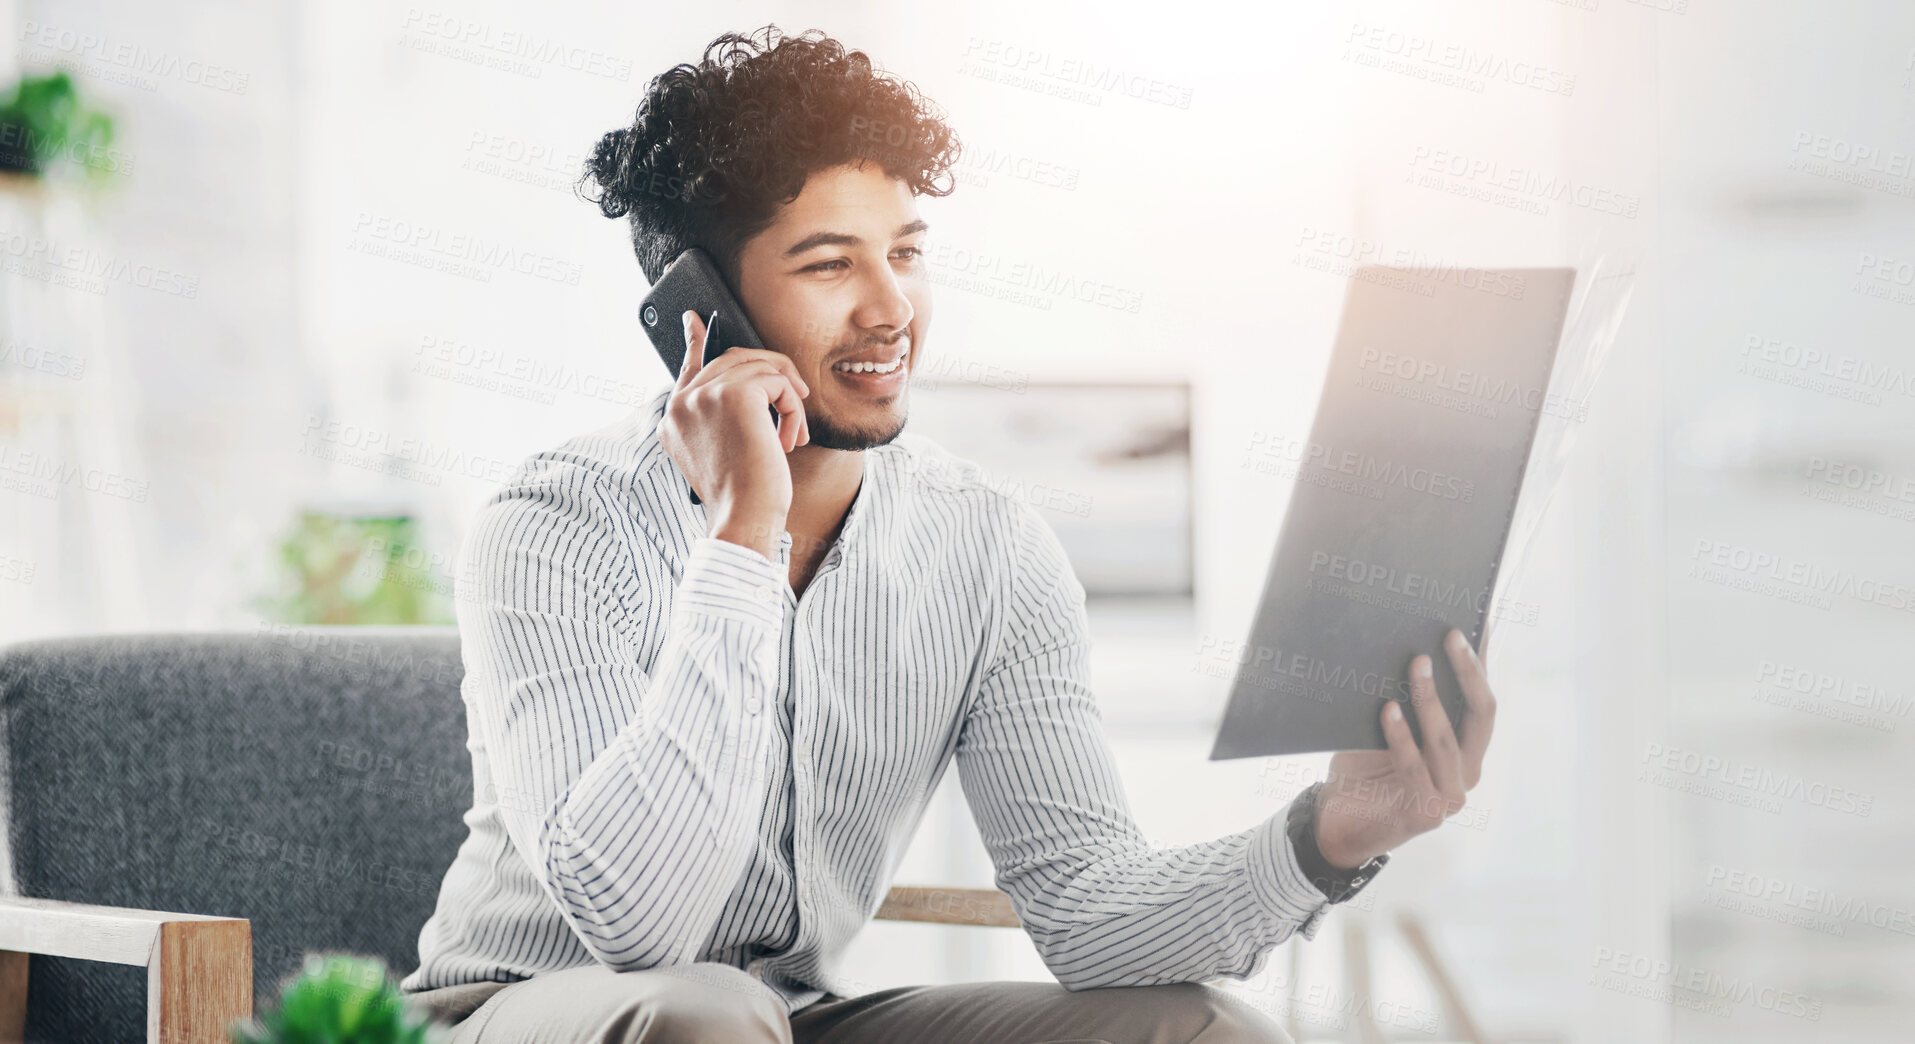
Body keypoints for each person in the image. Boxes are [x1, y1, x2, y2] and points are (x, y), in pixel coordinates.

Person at [401, 24, 1497, 1043]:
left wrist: (1333, 835)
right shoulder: (554, 524)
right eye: (829, 265)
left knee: (1199, 1031)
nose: (893, 309)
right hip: (523, 1011)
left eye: (906, 252)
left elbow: (1086, 912)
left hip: (792, 1018)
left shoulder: (985, 547)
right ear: (698, 309)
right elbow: (640, 927)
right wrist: (743, 538)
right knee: (702, 1012)